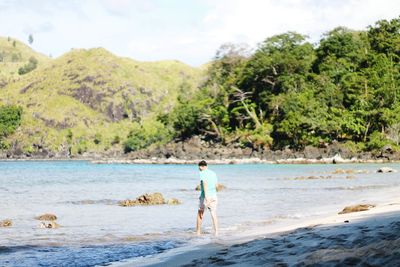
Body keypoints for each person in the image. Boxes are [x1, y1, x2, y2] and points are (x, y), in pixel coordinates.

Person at [196, 160, 219, 236]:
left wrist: (206, 197)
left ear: (202, 167)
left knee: (200, 212)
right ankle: (216, 232)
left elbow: (205, 183)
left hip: (205, 196)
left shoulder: (202, 173)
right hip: (214, 195)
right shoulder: (213, 173)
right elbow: (216, 186)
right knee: (213, 213)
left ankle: (198, 232)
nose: (199, 169)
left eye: (200, 168)